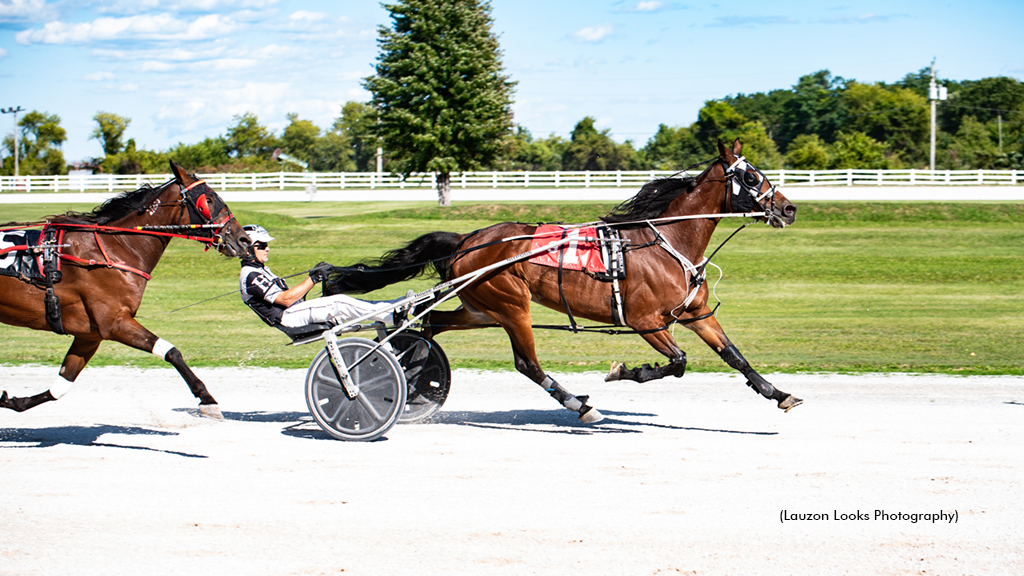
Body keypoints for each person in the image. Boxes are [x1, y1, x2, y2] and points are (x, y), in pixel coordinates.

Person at [239, 224, 410, 329]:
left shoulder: (259, 270)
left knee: (349, 305)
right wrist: (312, 278)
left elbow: (292, 297)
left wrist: (316, 278)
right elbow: (285, 300)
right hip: (288, 318)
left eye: (267, 244)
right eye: (261, 245)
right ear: (247, 249)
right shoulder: (251, 275)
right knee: (339, 302)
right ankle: (393, 314)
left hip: (295, 311)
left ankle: (396, 307)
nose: (267, 248)